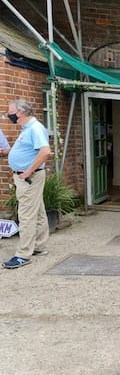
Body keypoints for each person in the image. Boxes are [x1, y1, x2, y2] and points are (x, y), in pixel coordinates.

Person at [2, 100, 52, 269]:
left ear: (20, 113)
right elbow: (29, 149)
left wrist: (29, 171)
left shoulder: (35, 128)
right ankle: (39, 246)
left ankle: (23, 255)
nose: (7, 114)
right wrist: (9, 152)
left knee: (26, 214)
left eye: (9, 111)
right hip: (28, 177)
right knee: (37, 211)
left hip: (29, 178)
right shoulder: (27, 129)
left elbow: (45, 152)